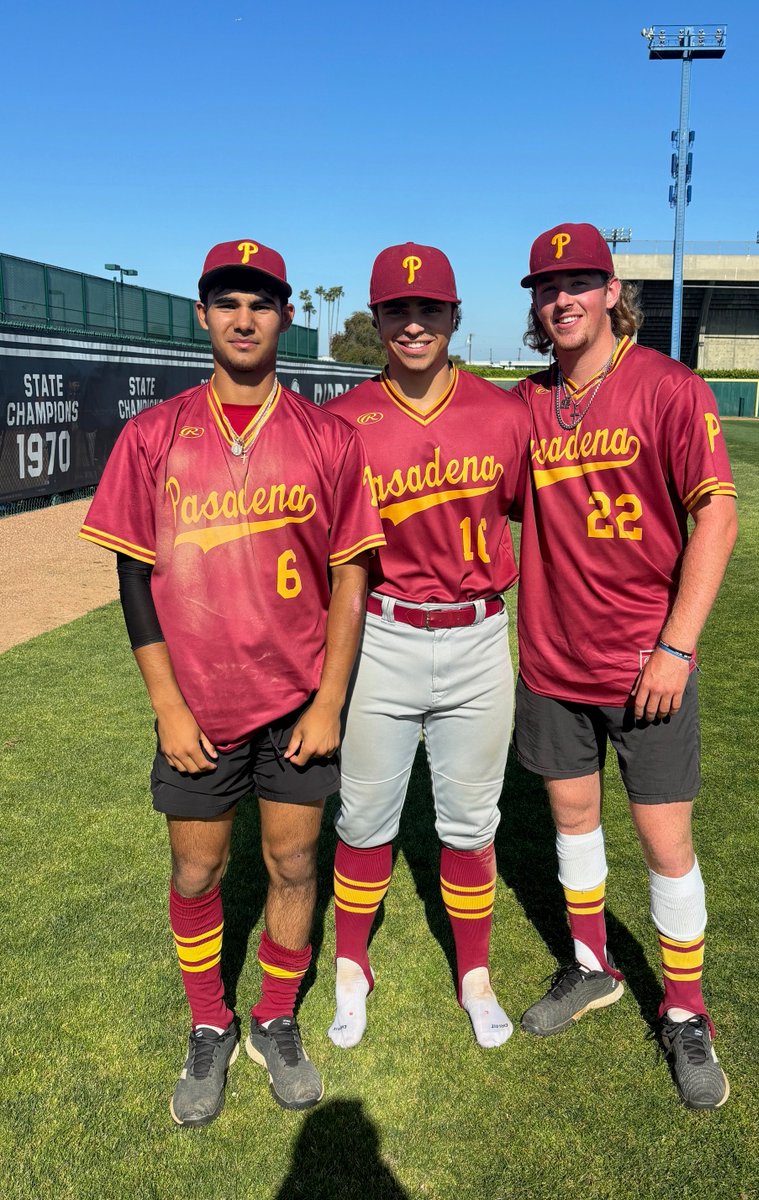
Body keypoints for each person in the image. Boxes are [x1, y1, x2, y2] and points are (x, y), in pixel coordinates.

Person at [79, 239, 385, 1126]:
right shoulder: (154, 434)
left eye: (261, 301)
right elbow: (134, 577)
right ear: (203, 315)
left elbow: (350, 576)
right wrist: (167, 706)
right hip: (198, 711)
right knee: (196, 870)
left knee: (292, 864)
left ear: (285, 316)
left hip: (297, 705)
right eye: (228, 301)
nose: (244, 317)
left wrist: (331, 699)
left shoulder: (328, 437)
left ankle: (275, 1018)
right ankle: (209, 1025)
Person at [512, 222, 738, 1109]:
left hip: (649, 664)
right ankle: (592, 966)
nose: (561, 298)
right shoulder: (527, 403)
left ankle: (685, 1011)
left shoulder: (671, 388)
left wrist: (678, 646)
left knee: (664, 844)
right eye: (545, 286)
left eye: (579, 282)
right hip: (552, 662)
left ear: (611, 291)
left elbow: (715, 519)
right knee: (574, 826)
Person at [325, 242, 531, 1049]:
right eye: (397, 311)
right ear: (376, 320)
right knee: (366, 817)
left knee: (471, 825)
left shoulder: (504, 414)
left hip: (479, 636)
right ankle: (350, 967)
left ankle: (474, 974)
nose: (413, 324)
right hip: (383, 634)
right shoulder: (343, 421)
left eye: (429, 310)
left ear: (453, 316)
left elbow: (530, 522)